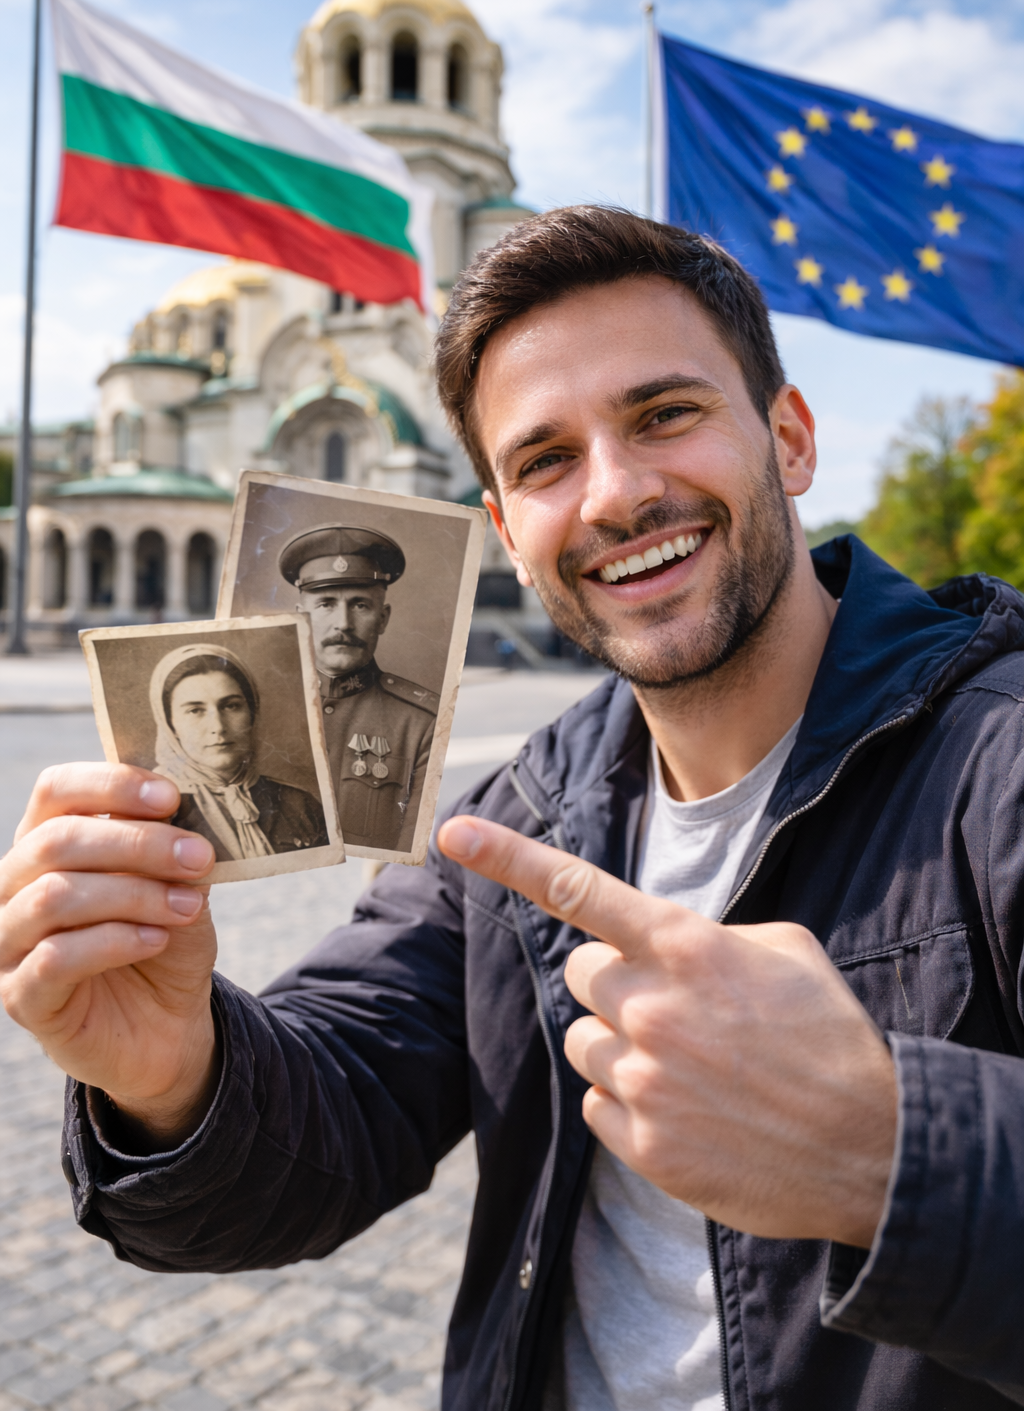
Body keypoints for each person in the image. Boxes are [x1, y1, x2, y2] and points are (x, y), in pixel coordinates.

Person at [3, 206, 1024, 1411]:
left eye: (666, 414)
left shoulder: (995, 760)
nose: (613, 494)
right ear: (504, 532)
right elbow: (341, 1098)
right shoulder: (525, 816)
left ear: (788, 441)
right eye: (543, 461)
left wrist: (896, 1150)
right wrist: (173, 1074)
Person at [279, 525, 438, 852]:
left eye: (360, 605)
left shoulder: (423, 723)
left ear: (383, 618)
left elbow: (412, 849)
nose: (344, 624)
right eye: (325, 604)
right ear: (300, 617)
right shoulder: (262, 708)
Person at [152, 643, 328, 861]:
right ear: (170, 725)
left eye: (231, 706)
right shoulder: (158, 808)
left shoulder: (299, 803)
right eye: (195, 710)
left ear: (252, 714)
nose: (218, 726)